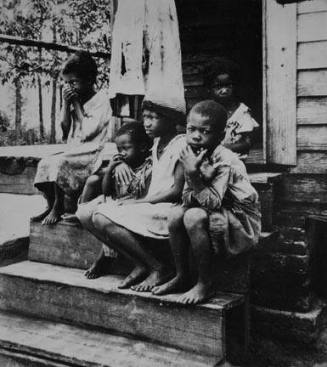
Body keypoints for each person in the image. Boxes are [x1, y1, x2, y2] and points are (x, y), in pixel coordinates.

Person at [152, 100, 261, 304]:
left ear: (220, 137)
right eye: (191, 129)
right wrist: (199, 179)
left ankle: (205, 283)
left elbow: (212, 203)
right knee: (175, 214)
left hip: (241, 219)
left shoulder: (225, 159)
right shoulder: (190, 153)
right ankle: (182, 275)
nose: (196, 136)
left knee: (193, 216)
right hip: (217, 208)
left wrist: (194, 177)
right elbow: (185, 197)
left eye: (205, 131)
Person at [89, 95, 186, 290]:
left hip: (170, 208)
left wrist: (140, 202)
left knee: (103, 216)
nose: (147, 123)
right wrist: (121, 164)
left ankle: (158, 267)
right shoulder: (157, 143)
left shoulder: (181, 145)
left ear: (171, 120)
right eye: (145, 117)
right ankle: (144, 264)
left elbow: (176, 191)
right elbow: (132, 154)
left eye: (153, 118)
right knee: (98, 216)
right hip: (152, 206)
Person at [33, 51, 112, 225]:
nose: (69, 87)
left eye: (73, 82)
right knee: (44, 163)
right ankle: (50, 203)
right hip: (76, 149)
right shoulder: (75, 98)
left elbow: (88, 131)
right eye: (66, 82)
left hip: (94, 150)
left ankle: (58, 205)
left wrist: (75, 104)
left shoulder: (101, 100)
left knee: (61, 162)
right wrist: (66, 103)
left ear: (90, 80)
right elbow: (65, 127)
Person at [78, 122, 152, 279]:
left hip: (135, 205)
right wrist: (111, 167)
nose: (122, 153)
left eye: (126, 148)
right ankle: (106, 255)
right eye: (119, 149)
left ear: (143, 147)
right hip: (117, 201)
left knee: (107, 216)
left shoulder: (148, 167)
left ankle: (104, 257)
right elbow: (106, 191)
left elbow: (144, 197)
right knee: (90, 212)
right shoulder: (121, 166)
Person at [203, 58, 259, 158]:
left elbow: (247, 143)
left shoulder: (242, 113)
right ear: (208, 89)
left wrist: (221, 148)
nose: (224, 90)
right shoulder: (206, 112)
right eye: (218, 86)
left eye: (228, 85)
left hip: (235, 160)